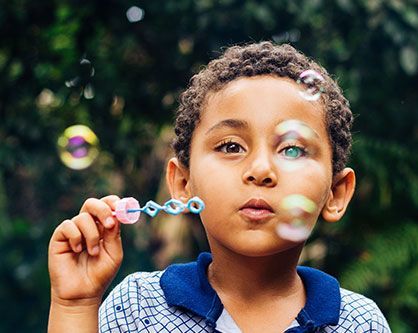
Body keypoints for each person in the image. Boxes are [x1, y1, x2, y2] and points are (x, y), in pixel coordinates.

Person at [48, 42, 391, 332]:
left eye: (292, 149)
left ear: (336, 193)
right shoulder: (138, 308)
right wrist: (75, 304)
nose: (260, 170)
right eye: (230, 146)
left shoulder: (359, 323)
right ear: (183, 183)